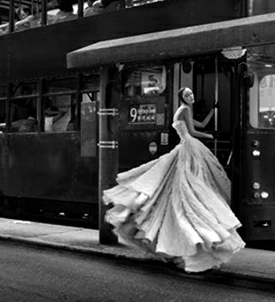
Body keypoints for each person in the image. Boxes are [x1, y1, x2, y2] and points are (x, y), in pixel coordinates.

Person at [103, 87, 245, 273]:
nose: (190, 96)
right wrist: (210, 136)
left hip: (185, 146)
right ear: (182, 97)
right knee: (192, 183)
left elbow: (201, 124)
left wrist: (213, 111)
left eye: (191, 94)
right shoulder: (184, 109)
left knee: (182, 182)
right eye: (187, 95)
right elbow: (193, 132)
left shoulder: (183, 110)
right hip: (189, 145)